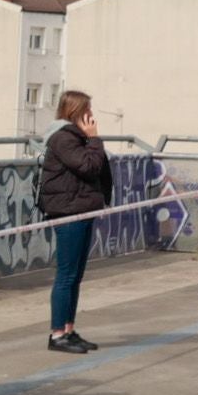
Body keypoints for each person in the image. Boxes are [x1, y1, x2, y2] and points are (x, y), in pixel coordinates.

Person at [41, 90, 112, 352]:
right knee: (66, 275)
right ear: (75, 111)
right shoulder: (63, 138)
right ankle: (57, 334)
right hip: (68, 212)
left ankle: (69, 329)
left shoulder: (76, 138)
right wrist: (94, 140)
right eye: (88, 110)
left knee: (76, 275)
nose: (92, 115)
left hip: (82, 208)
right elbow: (89, 167)